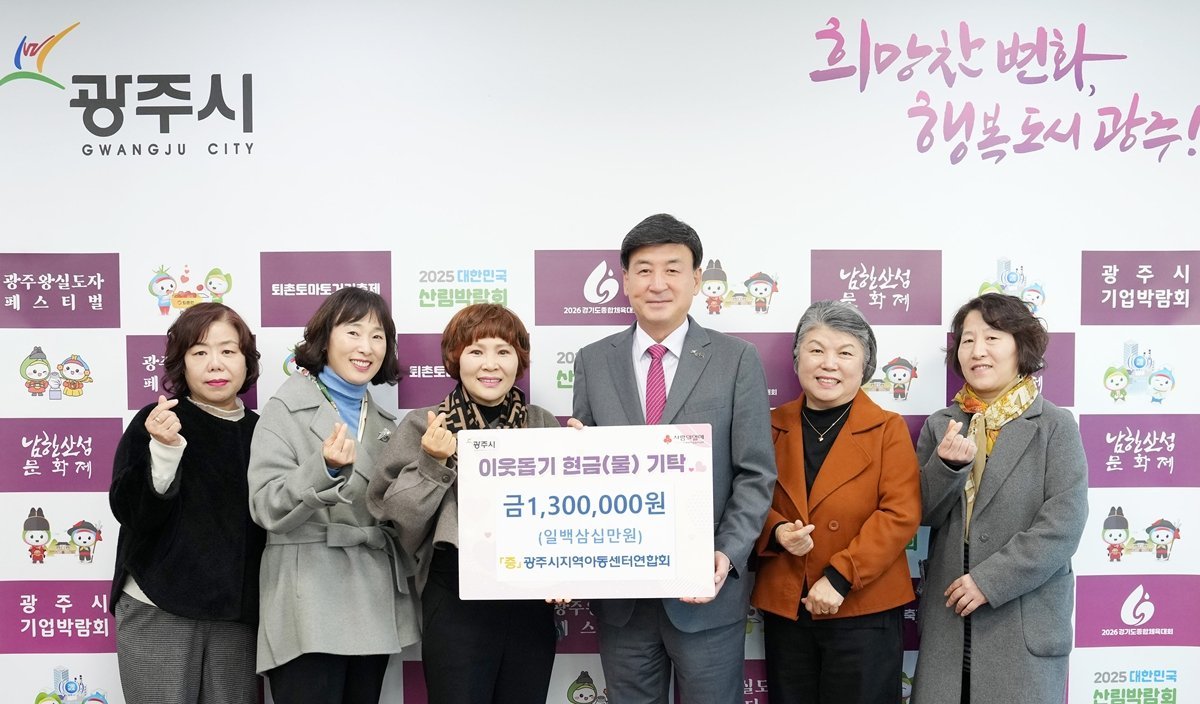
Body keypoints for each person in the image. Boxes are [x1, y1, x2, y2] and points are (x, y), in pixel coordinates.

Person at [571, 213, 777, 704]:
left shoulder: (736, 359)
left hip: (705, 593)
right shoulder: (593, 360)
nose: (657, 283)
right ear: (625, 281)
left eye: (672, 269)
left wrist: (725, 554)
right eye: (644, 270)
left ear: (697, 279)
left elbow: (755, 473)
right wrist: (573, 457)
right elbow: (583, 473)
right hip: (622, 597)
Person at [368, 303, 560, 704]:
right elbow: (394, 515)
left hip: (530, 597)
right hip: (454, 593)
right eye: (476, 351)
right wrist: (431, 462)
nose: (490, 364)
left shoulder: (542, 423)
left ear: (519, 360)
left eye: (503, 351)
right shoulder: (426, 423)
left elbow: (566, 511)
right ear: (456, 359)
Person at [913, 293, 1088, 704]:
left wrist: (990, 580)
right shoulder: (942, 425)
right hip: (949, 617)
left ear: (1020, 346)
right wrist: (947, 468)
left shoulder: (1055, 426)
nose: (977, 351)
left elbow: (1064, 524)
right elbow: (923, 514)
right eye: (967, 340)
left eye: (992, 338)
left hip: (1022, 618)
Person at [248, 287, 418, 704]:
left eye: (377, 336)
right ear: (325, 338)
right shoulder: (285, 408)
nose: (366, 347)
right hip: (307, 598)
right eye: (353, 332)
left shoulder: (387, 424)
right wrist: (322, 469)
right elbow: (264, 505)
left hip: (372, 596)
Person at [751, 300, 921, 704]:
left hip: (864, 607)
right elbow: (745, 495)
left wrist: (841, 577)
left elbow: (900, 514)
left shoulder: (887, 429)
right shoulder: (768, 425)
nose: (829, 363)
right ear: (797, 358)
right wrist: (777, 531)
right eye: (816, 349)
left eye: (845, 353)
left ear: (865, 365)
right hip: (789, 606)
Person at [109, 302, 264, 703]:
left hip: (236, 616)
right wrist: (164, 449)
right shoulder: (157, 421)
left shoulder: (264, 432)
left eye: (228, 351)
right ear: (181, 363)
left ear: (246, 360)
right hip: (158, 605)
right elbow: (131, 512)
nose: (215, 364)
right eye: (199, 352)